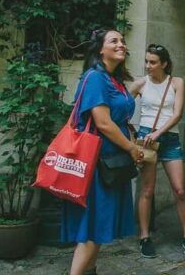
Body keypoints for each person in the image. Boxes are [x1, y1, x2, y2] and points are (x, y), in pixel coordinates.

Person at [61, 29, 144, 275]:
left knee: (97, 229)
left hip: (112, 162)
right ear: (100, 49)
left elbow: (119, 114)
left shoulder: (114, 80)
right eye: (114, 41)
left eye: (122, 41)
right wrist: (131, 148)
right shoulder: (95, 78)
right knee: (90, 230)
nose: (121, 44)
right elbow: (104, 122)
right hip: (97, 164)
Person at [128, 44, 185, 259]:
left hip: (168, 137)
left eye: (153, 62)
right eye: (147, 61)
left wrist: (158, 133)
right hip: (147, 138)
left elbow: (177, 114)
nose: (148, 66)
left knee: (180, 190)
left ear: (164, 63)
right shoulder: (140, 83)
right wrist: (132, 132)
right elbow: (120, 106)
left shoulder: (176, 83)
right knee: (147, 190)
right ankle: (145, 237)